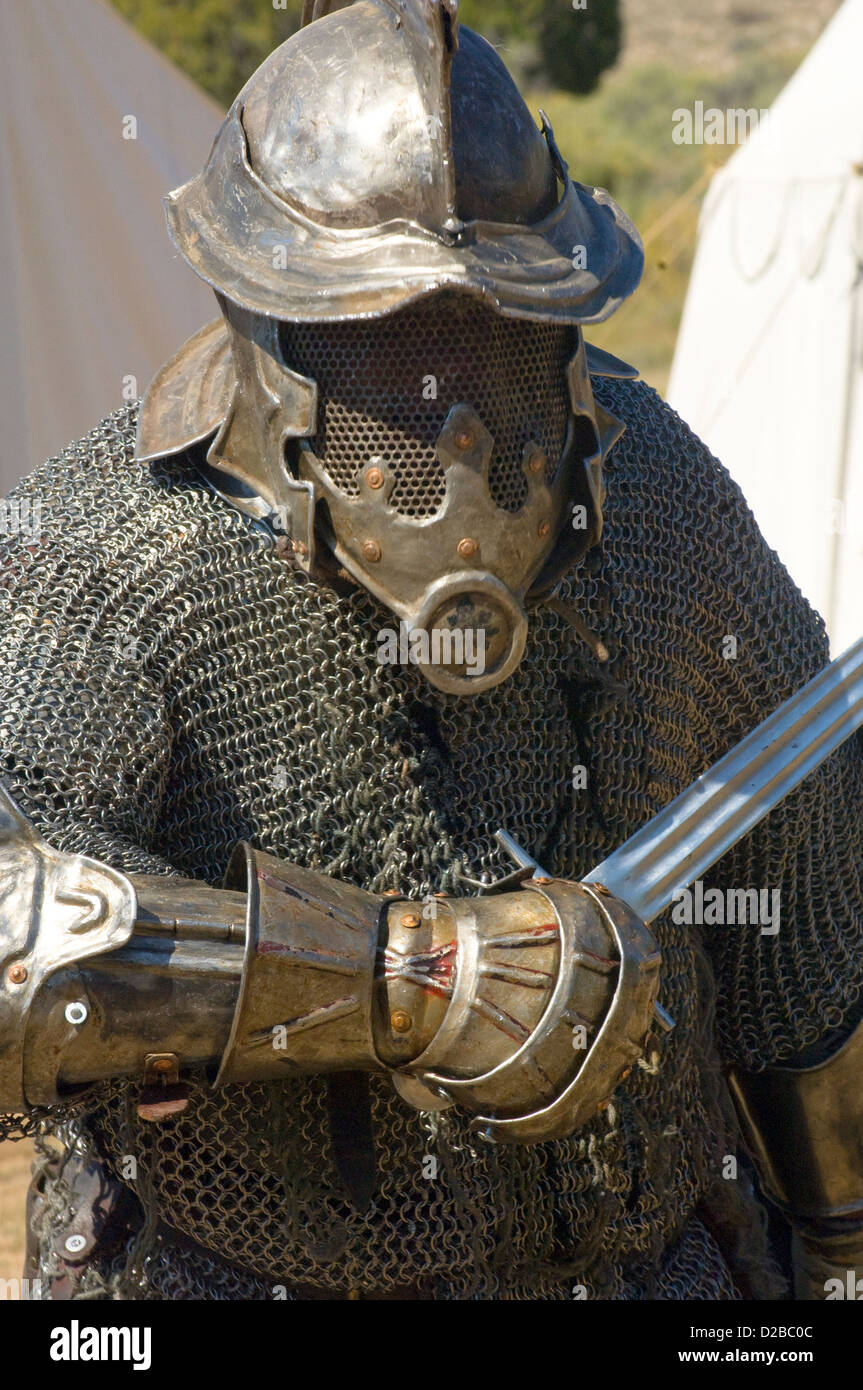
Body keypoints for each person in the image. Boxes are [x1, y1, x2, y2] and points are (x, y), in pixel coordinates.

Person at [2, 0, 862, 1302]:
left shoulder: (660, 498)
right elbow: (20, 936)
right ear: (267, 327)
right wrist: (408, 978)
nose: (454, 422)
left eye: (495, 336)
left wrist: (842, 1248)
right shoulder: (121, 551)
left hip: (655, 1262)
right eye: (396, 343)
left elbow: (809, 906)